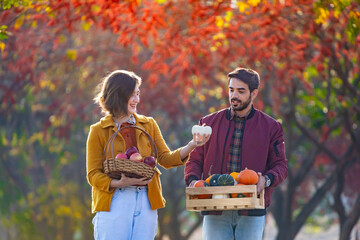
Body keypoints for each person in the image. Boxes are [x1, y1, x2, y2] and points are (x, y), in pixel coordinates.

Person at [86, 70, 210, 240]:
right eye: (132, 94)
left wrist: (191, 145)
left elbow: (165, 159)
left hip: (146, 200)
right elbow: (93, 175)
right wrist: (118, 182)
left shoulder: (148, 124)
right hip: (115, 200)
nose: (137, 99)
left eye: (138, 94)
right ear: (118, 95)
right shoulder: (98, 131)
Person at [184, 67, 288, 240]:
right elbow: (194, 160)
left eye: (241, 91)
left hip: (251, 210)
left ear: (253, 94)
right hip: (214, 208)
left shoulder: (271, 127)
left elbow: (281, 166)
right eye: (231, 90)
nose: (234, 96)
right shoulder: (208, 123)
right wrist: (193, 181)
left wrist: (266, 179)